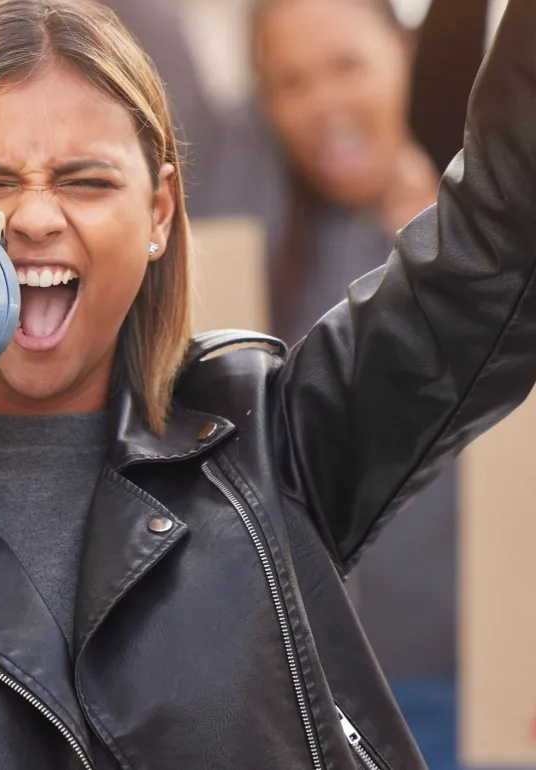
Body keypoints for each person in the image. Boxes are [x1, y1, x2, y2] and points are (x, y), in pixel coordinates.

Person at [0, 1, 536, 768]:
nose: (34, 219)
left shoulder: (268, 433)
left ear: (161, 212)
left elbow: (491, 257)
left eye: (86, 180)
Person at [251, 3, 487, 765]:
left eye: (346, 66)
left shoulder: (491, 232)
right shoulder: (264, 242)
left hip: (479, 690)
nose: (325, 104)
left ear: (405, 53)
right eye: (292, 82)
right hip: (311, 701)